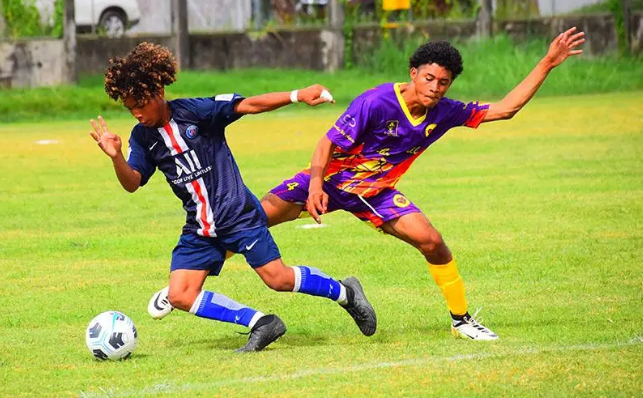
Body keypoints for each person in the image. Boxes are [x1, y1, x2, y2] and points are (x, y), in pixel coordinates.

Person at [150, 28, 586, 342]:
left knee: (433, 242)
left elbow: (505, 109)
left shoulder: (446, 111)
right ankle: (180, 289)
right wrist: (315, 187)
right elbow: (326, 143)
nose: (435, 88)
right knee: (248, 221)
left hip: (374, 193)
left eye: (443, 82)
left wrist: (548, 62)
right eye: (429, 78)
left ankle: (461, 321)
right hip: (325, 180)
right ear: (413, 73)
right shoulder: (376, 102)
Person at [89, 42, 377, 353]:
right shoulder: (142, 137)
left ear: (158, 91)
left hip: (239, 216)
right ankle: (261, 323)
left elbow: (249, 104)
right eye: (129, 108)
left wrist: (297, 95)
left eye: (140, 104)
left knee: (278, 279)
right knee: (180, 295)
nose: (136, 113)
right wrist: (116, 156)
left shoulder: (196, 112)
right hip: (200, 228)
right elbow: (133, 182)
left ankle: (346, 292)